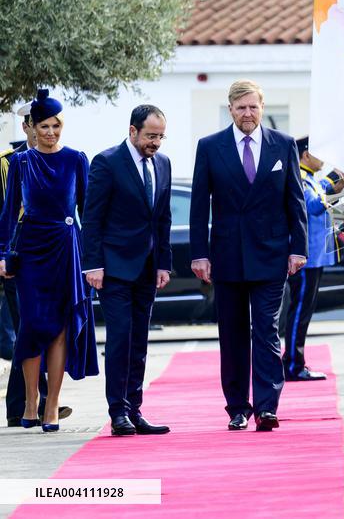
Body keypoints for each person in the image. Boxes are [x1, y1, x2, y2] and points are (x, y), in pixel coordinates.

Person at [189, 80, 307, 431]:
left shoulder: (282, 145)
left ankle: (267, 406)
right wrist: (199, 254)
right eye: (241, 107)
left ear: (262, 107)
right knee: (233, 333)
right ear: (230, 110)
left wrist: (298, 248)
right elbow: (198, 206)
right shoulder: (210, 147)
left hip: (271, 254)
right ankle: (238, 406)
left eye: (253, 107)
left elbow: (295, 200)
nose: (247, 113)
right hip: (226, 255)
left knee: (267, 330)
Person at [0, 90, 99, 432]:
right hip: (30, 250)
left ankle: (52, 405)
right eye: (44, 126)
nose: (51, 132)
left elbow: (88, 211)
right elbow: (9, 211)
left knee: (58, 329)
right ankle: (30, 401)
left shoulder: (76, 159)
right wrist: (2, 254)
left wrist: (92, 257)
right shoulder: (20, 163)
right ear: (31, 127)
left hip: (65, 247)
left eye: (56, 125)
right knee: (30, 327)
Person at [81, 105, 173, 436]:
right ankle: (117, 412)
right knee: (120, 339)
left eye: (161, 136)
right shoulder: (106, 162)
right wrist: (92, 264)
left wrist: (164, 262)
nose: (156, 143)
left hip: (148, 269)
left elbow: (162, 219)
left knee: (139, 342)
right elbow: (91, 217)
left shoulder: (162, 163)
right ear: (132, 131)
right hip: (115, 268)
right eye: (150, 136)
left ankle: (135, 410)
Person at [281, 136, 331, 382]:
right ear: (305, 154)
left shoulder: (310, 178)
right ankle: (292, 363)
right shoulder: (301, 177)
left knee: (304, 312)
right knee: (299, 311)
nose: (323, 158)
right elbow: (312, 206)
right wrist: (332, 184)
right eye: (319, 152)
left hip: (314, 255)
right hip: (305, 256)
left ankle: (294, 361)